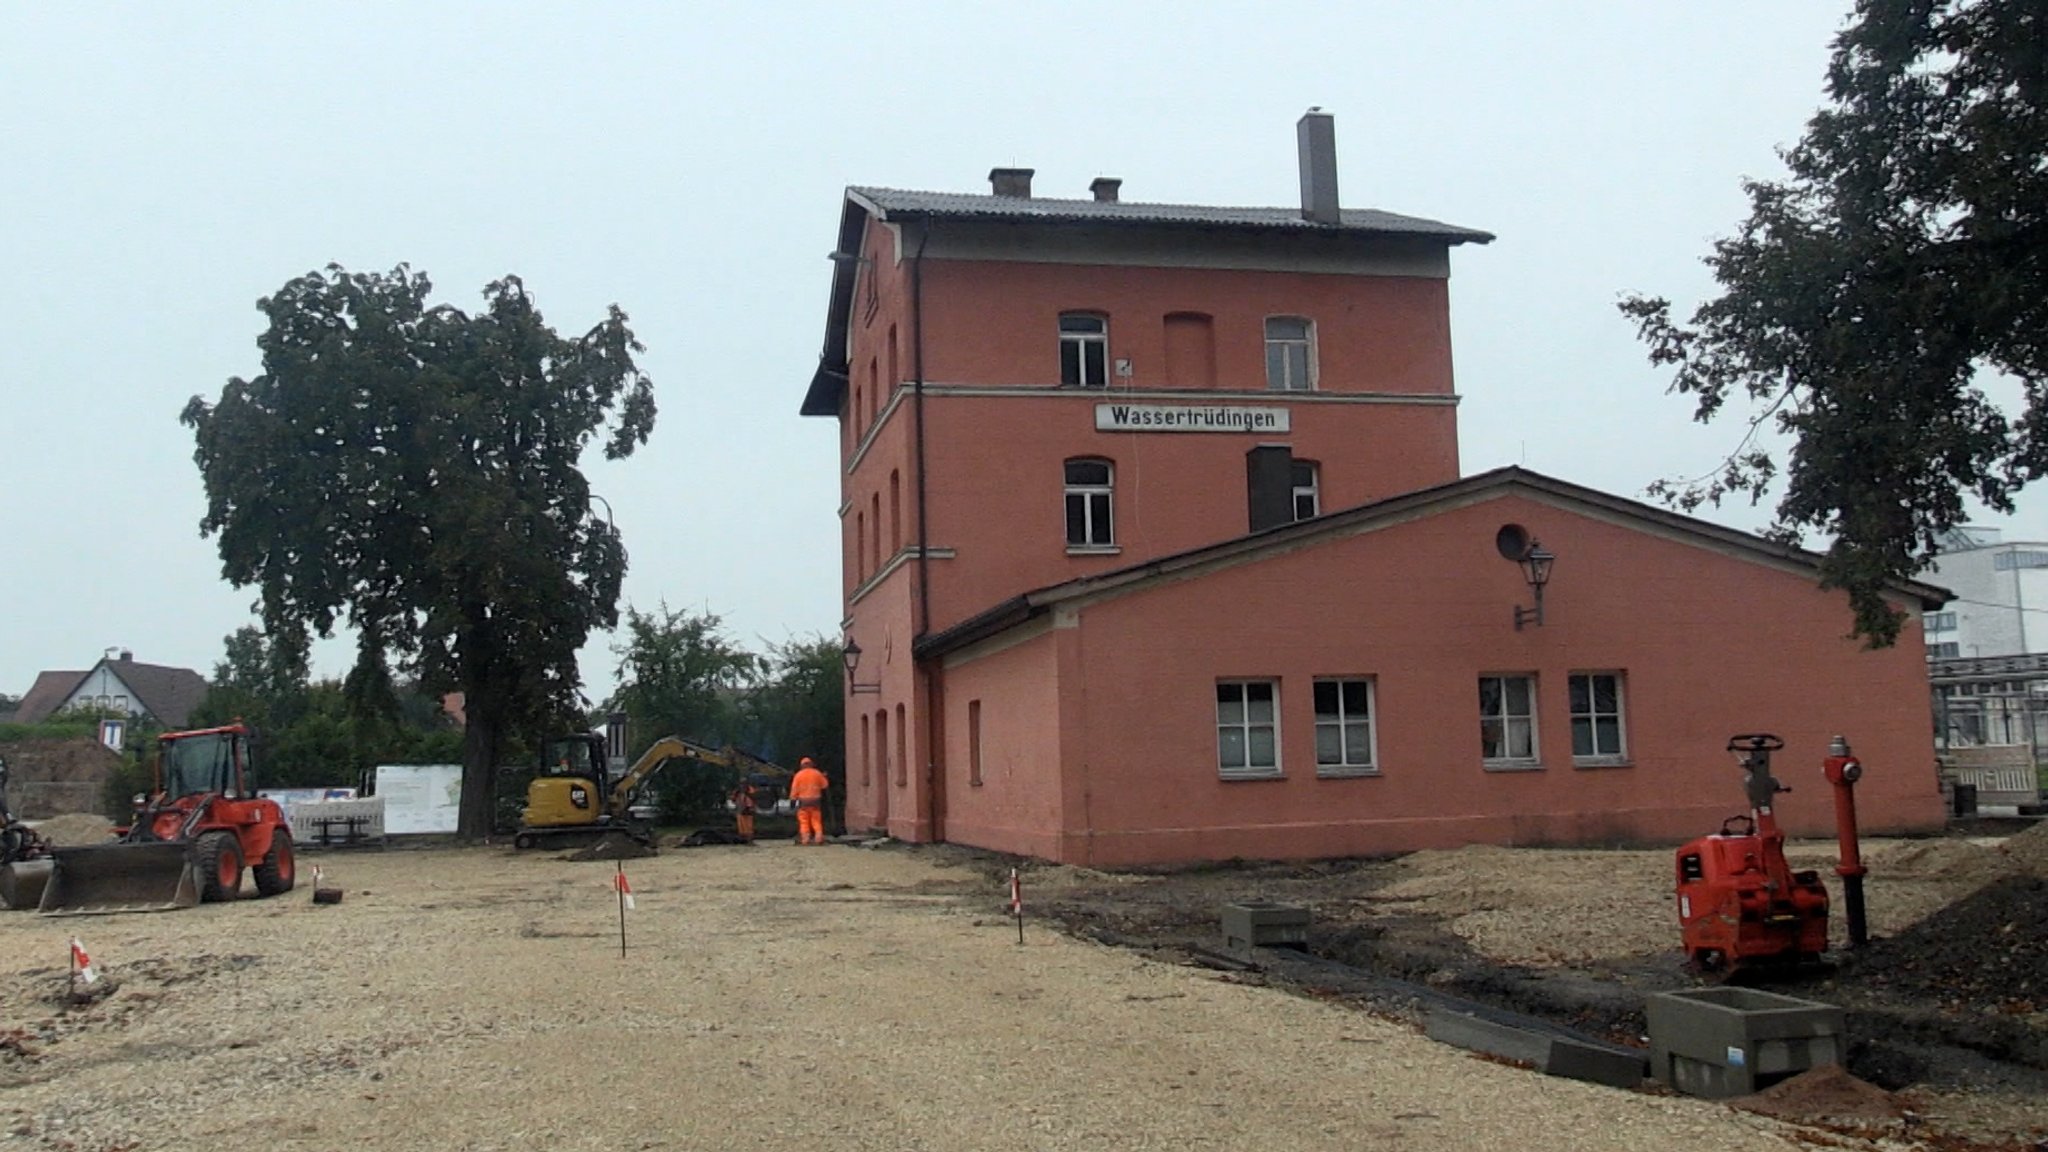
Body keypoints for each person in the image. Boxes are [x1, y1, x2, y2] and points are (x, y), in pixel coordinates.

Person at [788, 756, 829, 846]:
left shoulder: (798, 775)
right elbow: (825, 786)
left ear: (801, 765)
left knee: (804, 821)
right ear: (812, 765)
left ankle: (805, 839)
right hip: (816, 802)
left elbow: (794, 790)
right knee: (816, 820)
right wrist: (824, 776)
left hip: (803, 802)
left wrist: (792, 801)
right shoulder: (817, 773)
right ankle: (818, 838)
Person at [729, 777, 759, 843]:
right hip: (740, 811)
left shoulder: (750, 789)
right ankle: (743, 841)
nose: (743, 785)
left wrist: (746, 793)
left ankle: (750, 840)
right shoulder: (737, 791)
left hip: (748, 811)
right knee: (741, 828)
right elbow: (733, 799)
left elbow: (754, 797)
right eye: (741, 783)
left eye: (744, 783)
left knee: (749, 828)